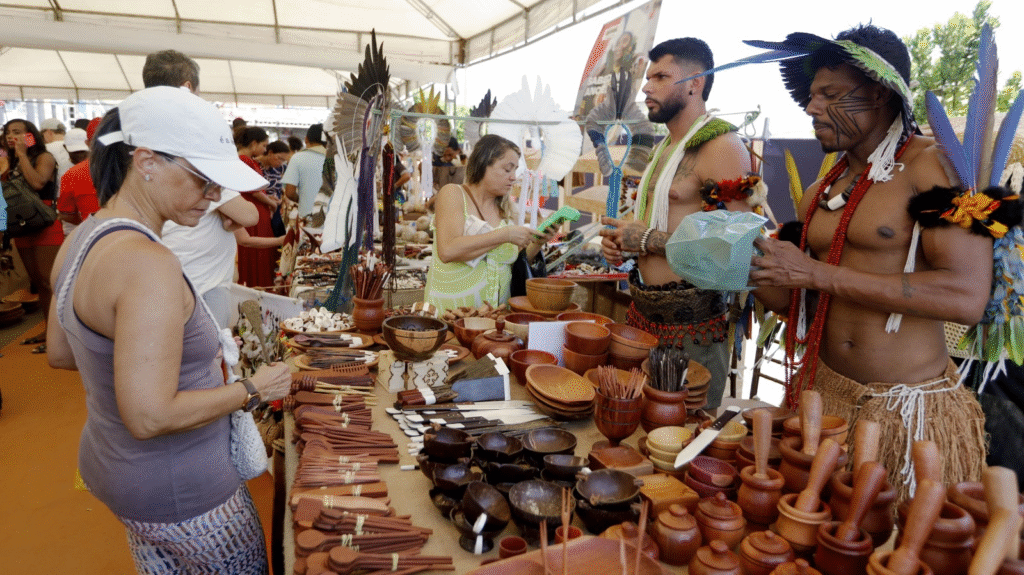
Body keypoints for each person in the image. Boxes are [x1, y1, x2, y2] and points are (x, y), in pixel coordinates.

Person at [46, 86, 291, 574]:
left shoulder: (84, 235)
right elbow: (150, 416)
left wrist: (152, 354)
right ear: (147, 162)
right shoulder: (147, 264)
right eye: (203, 179)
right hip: (185, 489)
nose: (215, 195)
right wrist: (253, 389)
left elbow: (62, 351)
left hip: (118, 470)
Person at [747, 24, 988, 500]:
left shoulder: (935, 168)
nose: (811, 107)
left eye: (830, 94)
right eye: (812, 95)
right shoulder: (819, 192)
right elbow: (799, 305)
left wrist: (817, 273)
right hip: (824, 398)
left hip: (908, 412)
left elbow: (966, 297)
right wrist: (741, 263)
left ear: (879, 93)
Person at [600, 38, 753, 410]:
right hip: (643, 318)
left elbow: (734, 252)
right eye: (648, 78)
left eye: (661, 77)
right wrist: (624, 241)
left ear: (695, 83)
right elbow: (652, 227)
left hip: (693, 331)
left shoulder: (722, 146)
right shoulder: (665, 148)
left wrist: (647, 239)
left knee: (686, 435)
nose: (646, 88)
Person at [424, 134, 552, 312]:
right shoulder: (453, 194)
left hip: (496, 316)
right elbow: (447, 250)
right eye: (507, 169)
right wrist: (505, 234)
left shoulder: (507, 210)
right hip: (451, 313)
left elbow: (515, 264)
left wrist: (537, 242)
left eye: (515, 170)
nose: (513, 177)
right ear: (483, 164)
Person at [3, 119, 60, 353]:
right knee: (38, 282)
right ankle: (49, 330)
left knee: (49, 282)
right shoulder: (9, 162)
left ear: (30, 136)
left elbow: (37, 182)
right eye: (8, 132)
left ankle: (60, 335)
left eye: (17, 132)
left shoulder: (44, 157)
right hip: (22, 225)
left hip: (44, 223)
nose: (10, 136)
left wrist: (22, 154)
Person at [234, 127, 284, 288]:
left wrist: (268, 199)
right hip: (253, 209)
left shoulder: (248, 160)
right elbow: (252, 190)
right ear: (254, 143)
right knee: (255, 251)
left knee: (259, 252)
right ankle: (254, 285)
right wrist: (270, 203)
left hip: (255, 209)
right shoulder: (243, 160)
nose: (265, 150)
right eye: (264, 145)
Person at [55, 128, 98, 236]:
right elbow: (65, 212)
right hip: (75, 231)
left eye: (83, 151)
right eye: (75, 152)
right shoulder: (64, 170)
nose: (80, 155)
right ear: (65, 147)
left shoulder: (102, 166)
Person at [281, 124, 326, 220]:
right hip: (330, 217)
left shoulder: (297, 158)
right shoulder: (335, 159)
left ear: (306, 139)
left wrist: (303, 200)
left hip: (306, 216)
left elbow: (290, 192)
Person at [258, 140, 291, 236]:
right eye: (279, 158)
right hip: (262, 206)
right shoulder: (256, 165)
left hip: (276, 208)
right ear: (270, 152)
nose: (281, 162)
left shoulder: (280, 167)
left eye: (283, 160)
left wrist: (285, 195)